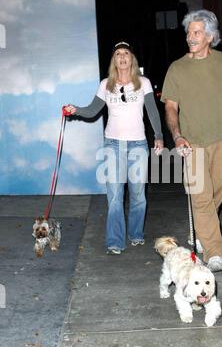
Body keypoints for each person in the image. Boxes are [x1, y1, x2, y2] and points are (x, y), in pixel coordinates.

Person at [161, 9, 222, 272]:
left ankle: (201, 231)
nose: (190, 37)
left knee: (218, 189)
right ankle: (215, 252)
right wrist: (177, 135)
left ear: (210, 36)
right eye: (188, 32)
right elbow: (171, 107)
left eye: (196, 32)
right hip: (191, 143)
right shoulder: (177, 68)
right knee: (201, 196)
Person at [64, 41, 164, 254]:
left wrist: (159, 136)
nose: (122, 57)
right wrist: (76, 110)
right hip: (112, 145)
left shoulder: (143, 83)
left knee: (138, 195)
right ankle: (115, 241)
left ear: (132, 58)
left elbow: (153, 112)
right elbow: (92, 111)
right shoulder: (105, 84)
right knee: (115, 196)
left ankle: (136, 234)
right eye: (118, 53)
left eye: (126, 53)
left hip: (138, 144)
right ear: (114, 60)